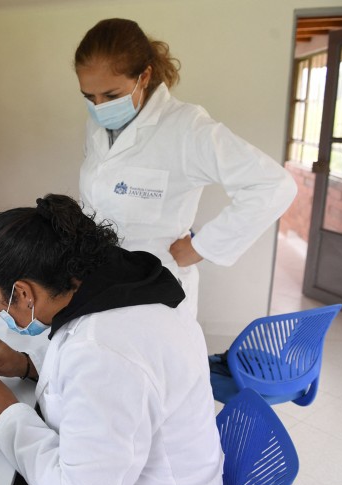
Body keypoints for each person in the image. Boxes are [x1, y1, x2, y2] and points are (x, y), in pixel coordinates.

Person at [0, 194, 223, 485]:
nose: (1, 312)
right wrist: (28, 366)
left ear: (23, 293)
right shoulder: (121, 284)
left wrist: (5, 413)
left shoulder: (102, 351)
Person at [75, 18, 297, 315]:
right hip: (98, 278)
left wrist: (201, 247)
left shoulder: (187, 127)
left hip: (155, 287)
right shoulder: (96, 125)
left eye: (111, 96)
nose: (100, 106)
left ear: (144, 76)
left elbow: (273, 185)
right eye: (90, 97)